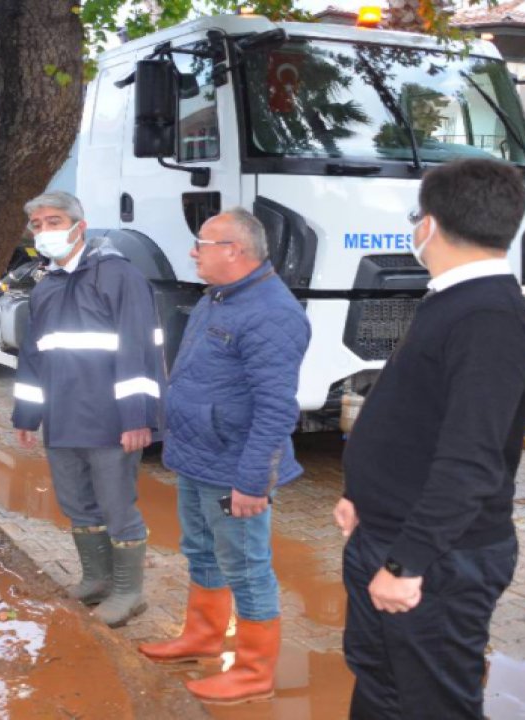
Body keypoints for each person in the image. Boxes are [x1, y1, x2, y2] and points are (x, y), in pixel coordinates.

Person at [335, 159, 525, 719]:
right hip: (390, 533)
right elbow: (417, 420)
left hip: (439, 559)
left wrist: (408, 564)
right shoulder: (452, 300)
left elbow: (471, 462)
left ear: (428, 224)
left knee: (431, 703)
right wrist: (363, 497)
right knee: (380, 680)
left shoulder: (489, 320)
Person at [139, 208, 310, 705]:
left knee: (247, 566)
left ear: (234, 250)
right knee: (202, 552)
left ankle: (255, 670)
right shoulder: (219, 298)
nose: (193, 251)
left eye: (203, 243)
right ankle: (203, 637)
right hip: (198, 457)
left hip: (234, 467)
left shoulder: (272, 313)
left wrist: (254, 483)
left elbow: (277, 408)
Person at [10, 191, 166, 628]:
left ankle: (129, 593)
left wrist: (138, 418)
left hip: (110, 422)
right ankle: (96, 581)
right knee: (78, 505)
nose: (44, 231)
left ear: (80, 224)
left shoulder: (119, 276)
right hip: (62, 422)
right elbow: (33, 357)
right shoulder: (47, 286)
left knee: (117, 507)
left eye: (53, 221)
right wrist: (26, 415)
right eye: (37, 224)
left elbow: (140, 353)